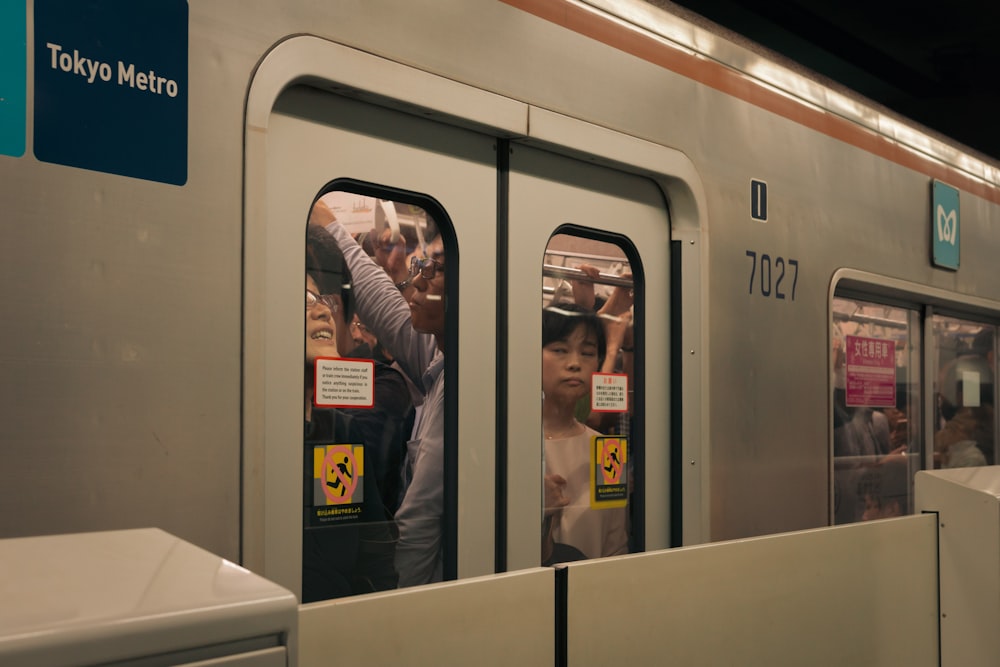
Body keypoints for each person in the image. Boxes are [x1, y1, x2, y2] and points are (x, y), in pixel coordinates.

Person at [324, 207, 446, 587]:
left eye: (437, 268)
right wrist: (330, 228)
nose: (419, 281)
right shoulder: (441, 360)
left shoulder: (465, 384)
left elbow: (419, 525)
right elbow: (383, 303)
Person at [302, 226, 397, 601]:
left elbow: (373, 552)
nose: (322, 310)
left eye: (324, 297)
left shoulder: (341, 432)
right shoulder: (249, 434)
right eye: (303, 298)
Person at [541, 302, 629, 564]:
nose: (575, 363)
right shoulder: (511, 445)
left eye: (587, 352)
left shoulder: (607, 449)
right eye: (560, 350)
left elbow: (616, 544)